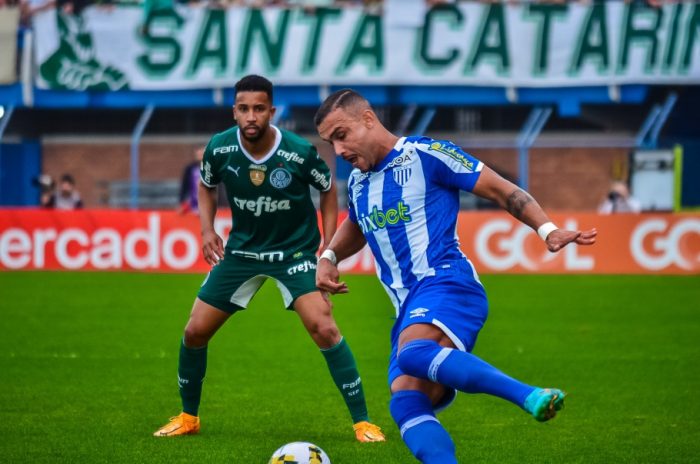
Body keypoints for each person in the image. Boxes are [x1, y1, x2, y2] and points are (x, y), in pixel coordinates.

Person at [314, 89, 597, 463]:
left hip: (447, 282)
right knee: (407, 402)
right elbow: (357, 224)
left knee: (414, 354)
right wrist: (330, 255)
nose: (338, 150)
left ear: (368, 119)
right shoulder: (359, 182)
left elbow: (502, 190)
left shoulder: (426, 155)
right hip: (407, 306)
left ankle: (529, 394)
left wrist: (547, 230)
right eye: (330, 141)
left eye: (341, 134)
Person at [153, 76, 385, 443]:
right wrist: (207, 230)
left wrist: (327, 247)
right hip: (241, 253)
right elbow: (206, 185)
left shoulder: (298, 151)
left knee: (324, 328)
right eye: (243, 108)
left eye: (259, 108)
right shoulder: (220, 149)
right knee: (194, 332)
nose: (251, 116)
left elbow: (326, 189)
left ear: (271, 112)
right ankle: (188, 417)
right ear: (234, 112)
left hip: (293, 253)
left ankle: (362, 422)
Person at [177, 146, 204, 214]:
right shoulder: (190, 168)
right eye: (198, 154)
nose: (200, 156)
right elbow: (184, 185)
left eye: (202, 154)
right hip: (192, 202)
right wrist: (182, 201)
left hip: (206, 201)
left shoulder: (211, 168)